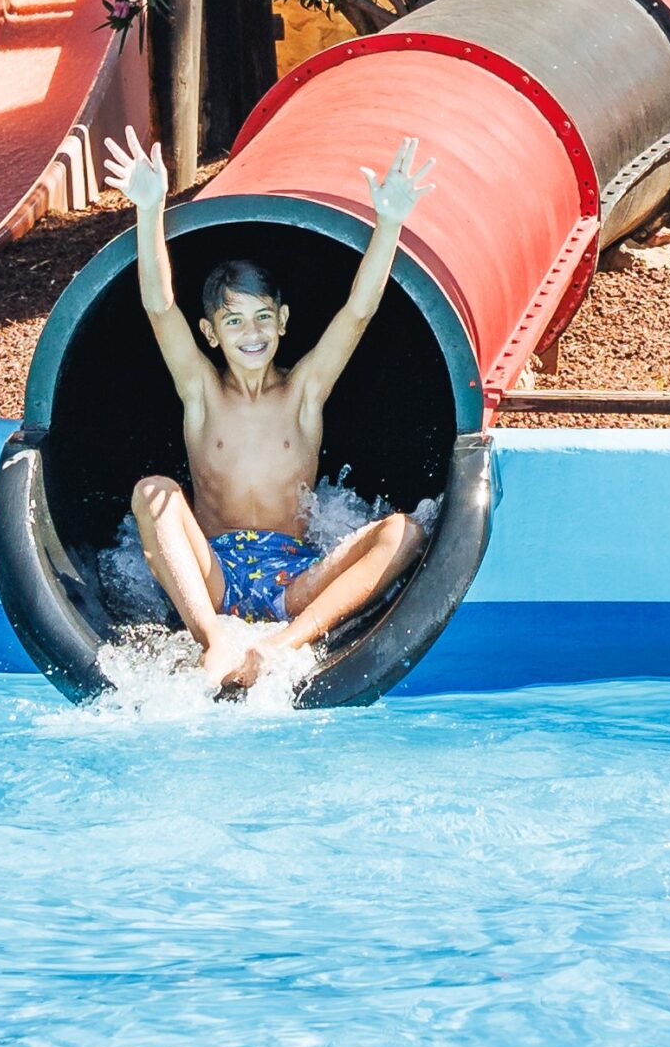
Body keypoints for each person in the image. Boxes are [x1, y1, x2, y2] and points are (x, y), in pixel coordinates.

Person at [104, 126, 438, 691]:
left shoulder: (304, 392)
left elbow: (359, 311)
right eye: (234, 321)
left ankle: (283, 645)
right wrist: (151, 209)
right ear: (211, 333)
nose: (251, 332)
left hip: (295, 577)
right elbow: (159, 306)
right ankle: (214, 639)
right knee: (152, 492)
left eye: (262, 317)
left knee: (404, 532)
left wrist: (389, 223)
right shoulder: (200, 394)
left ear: (283, 322)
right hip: (214, 575)